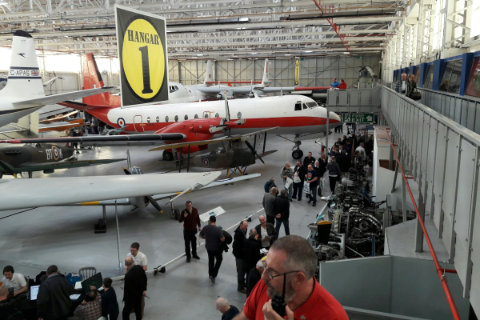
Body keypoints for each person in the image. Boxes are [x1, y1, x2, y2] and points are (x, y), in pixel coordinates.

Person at [233, 235, 348, 320]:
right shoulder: (268, 286)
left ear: (298, 279)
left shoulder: (333, 316)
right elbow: (245, 316)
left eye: (271, 271)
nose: (263, 277)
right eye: (265, 266)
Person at [200, 215, 225, 284]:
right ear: (215, 221)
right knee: (219, 260)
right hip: (216, 248)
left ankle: (210, 274)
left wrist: (207, 237)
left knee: (211, 260)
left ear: (210, 220)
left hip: (208, 248)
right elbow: (222, 239)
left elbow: (201, 235)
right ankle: (214, 274)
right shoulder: (218, 229)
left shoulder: (205, 228)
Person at [233, 220, 249, 293]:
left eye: (247, 226)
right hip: (239, 256)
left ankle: (243, 283)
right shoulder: (238, 234)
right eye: (245, 226)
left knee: (242, 271)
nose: (246, 228)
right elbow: (239, 246)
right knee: (240, 271)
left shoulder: (243, 230)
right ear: (241, 225)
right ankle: (240, 287)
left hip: (242, 255)